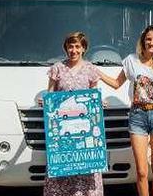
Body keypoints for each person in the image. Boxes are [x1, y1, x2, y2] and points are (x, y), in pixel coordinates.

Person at [101, 25, 153, 196]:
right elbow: (116, 83)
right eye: (149, 39)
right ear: (143, 40)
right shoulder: (131, 60)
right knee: (141, 170)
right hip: (137, 117)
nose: (152, 42)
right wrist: (97, 73)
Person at [44, 31, 106, 196]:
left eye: (77, 46)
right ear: (66, 48)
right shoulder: (57, 68)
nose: (73, 50)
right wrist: (46, 101)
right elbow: (50, 92)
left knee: (85, 167)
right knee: (64, 168)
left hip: (84, 131)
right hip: (63, 131)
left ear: (83, 48)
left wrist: (99, 102)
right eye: (70, 46)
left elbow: (94, 94)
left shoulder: (91, 70)